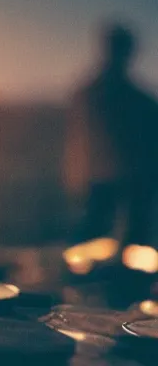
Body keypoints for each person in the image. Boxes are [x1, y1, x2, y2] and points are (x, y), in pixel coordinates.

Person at [64, 21, 158, 250]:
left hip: (123, 178)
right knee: (96, 236)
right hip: (108, 177)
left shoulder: (90, 93)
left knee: (128, 240)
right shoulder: (102, 95)